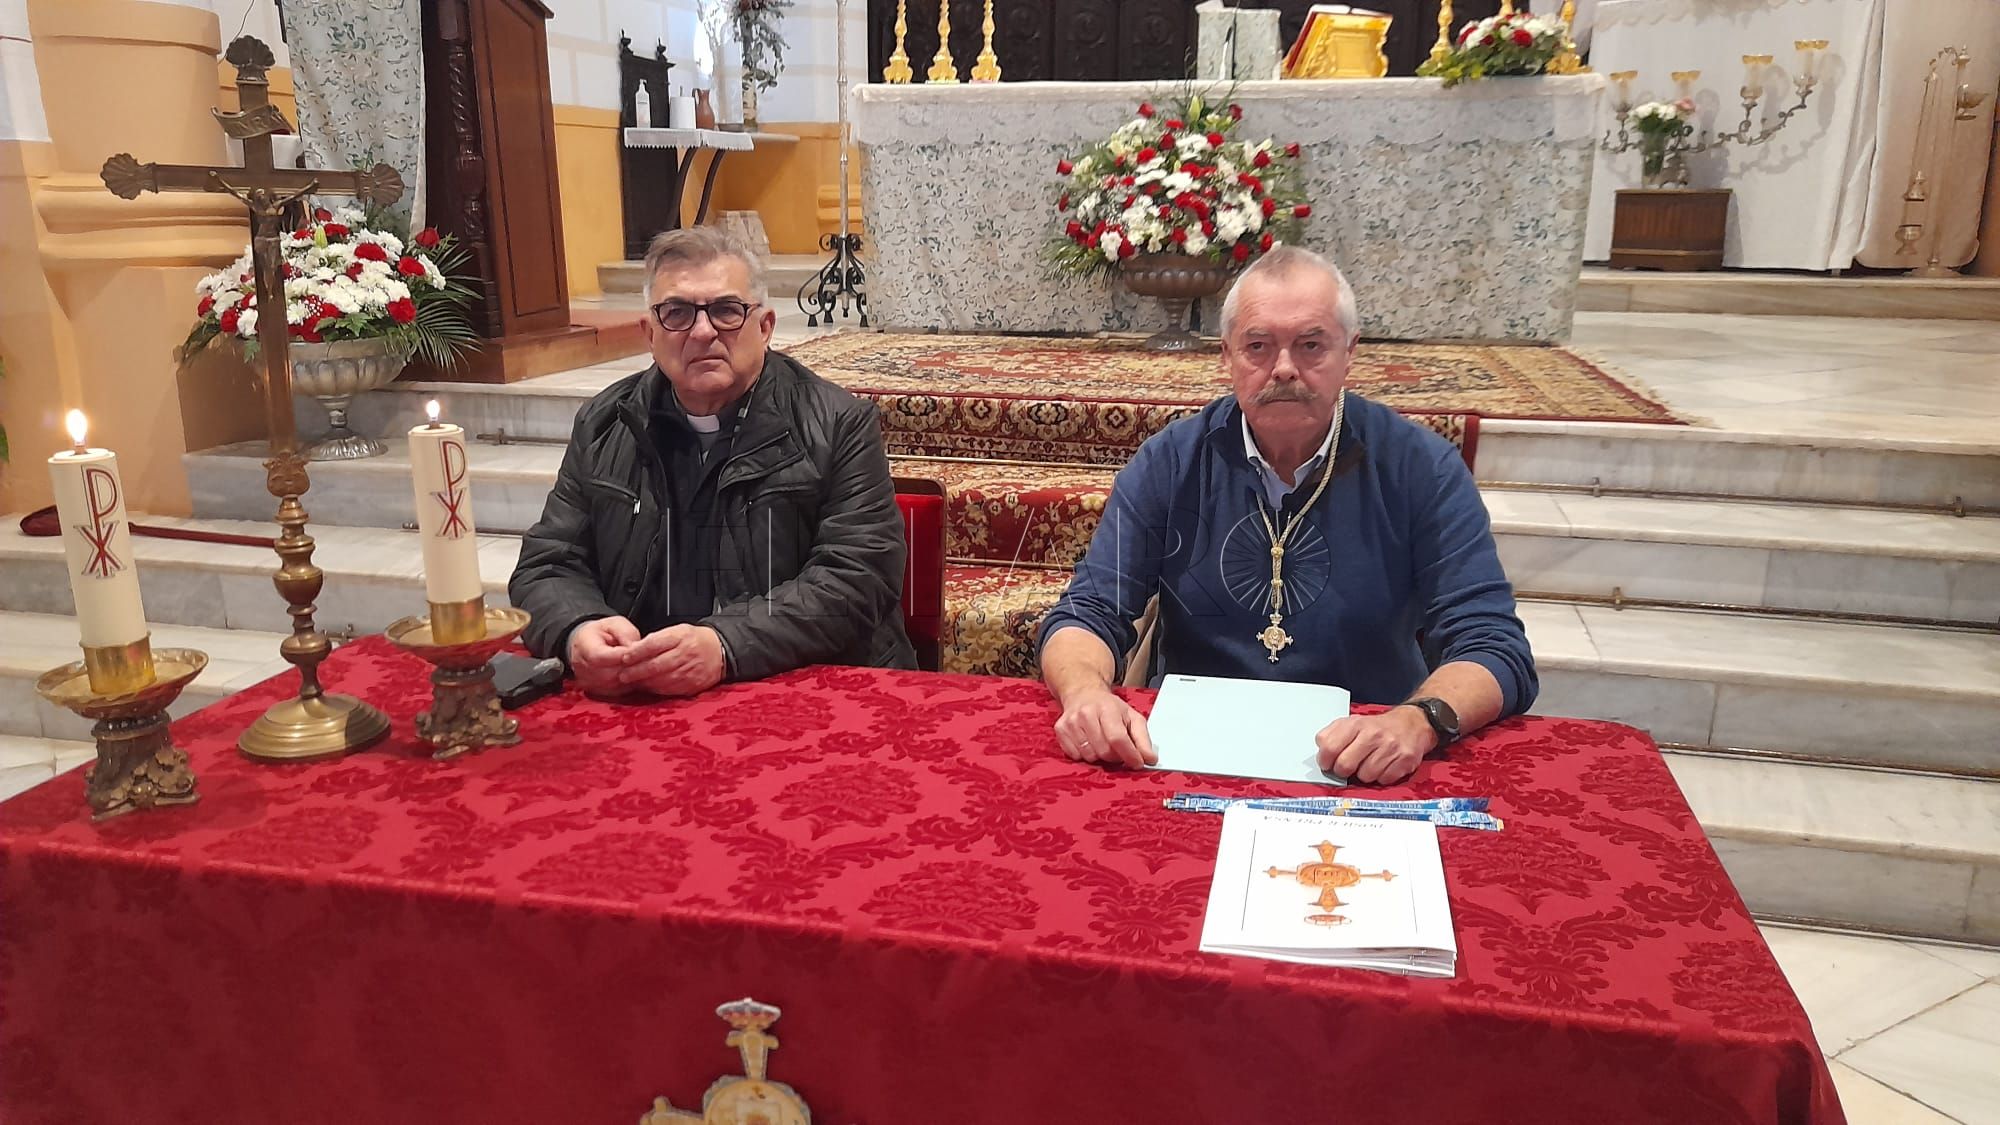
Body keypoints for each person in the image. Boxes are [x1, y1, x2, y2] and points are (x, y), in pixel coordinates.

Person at [1036, 246, 1536, 785]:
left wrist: (1420, 720)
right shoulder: (1172, 461)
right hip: (1190, 753)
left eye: (1311, 345)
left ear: (1350, 352)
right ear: (1226, 356)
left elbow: (1491, 643)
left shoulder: (1421, 467)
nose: (1284, 369)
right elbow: (1087, 613)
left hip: (1367, 753)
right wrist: (1086, 694)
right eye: (1258, 346)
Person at [509, 227, 914, 697]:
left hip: (797, 686)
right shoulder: (605, 424)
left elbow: (858, 575)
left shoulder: (837, 422)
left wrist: (725, 645)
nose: (702, 332)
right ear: (650, 333)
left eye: (725, 310)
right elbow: (548, 564)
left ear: (764, 327)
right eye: (677, 312)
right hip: (643, 688)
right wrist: (579, 628)